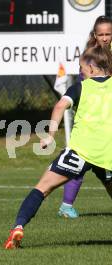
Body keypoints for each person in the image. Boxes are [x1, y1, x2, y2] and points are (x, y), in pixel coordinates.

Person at [4, 45, 112, 249]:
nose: (80, 73)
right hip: (108, 154)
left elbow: (60, 106)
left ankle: (18, 227)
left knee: (42, 188)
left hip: (81, 151)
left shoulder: (82, 87)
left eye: (81, 68)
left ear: (91, 68)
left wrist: (50, 136)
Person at [57, 15, 112, 219]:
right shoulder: (90, 57)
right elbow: (86, 85)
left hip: (108, 118)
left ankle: (66, 205)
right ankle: (66, 205)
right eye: (101, 34)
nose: (105, 38)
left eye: (109, 34)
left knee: (105, 170)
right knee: (80, 161)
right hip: (93, 117)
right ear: (95, 35)